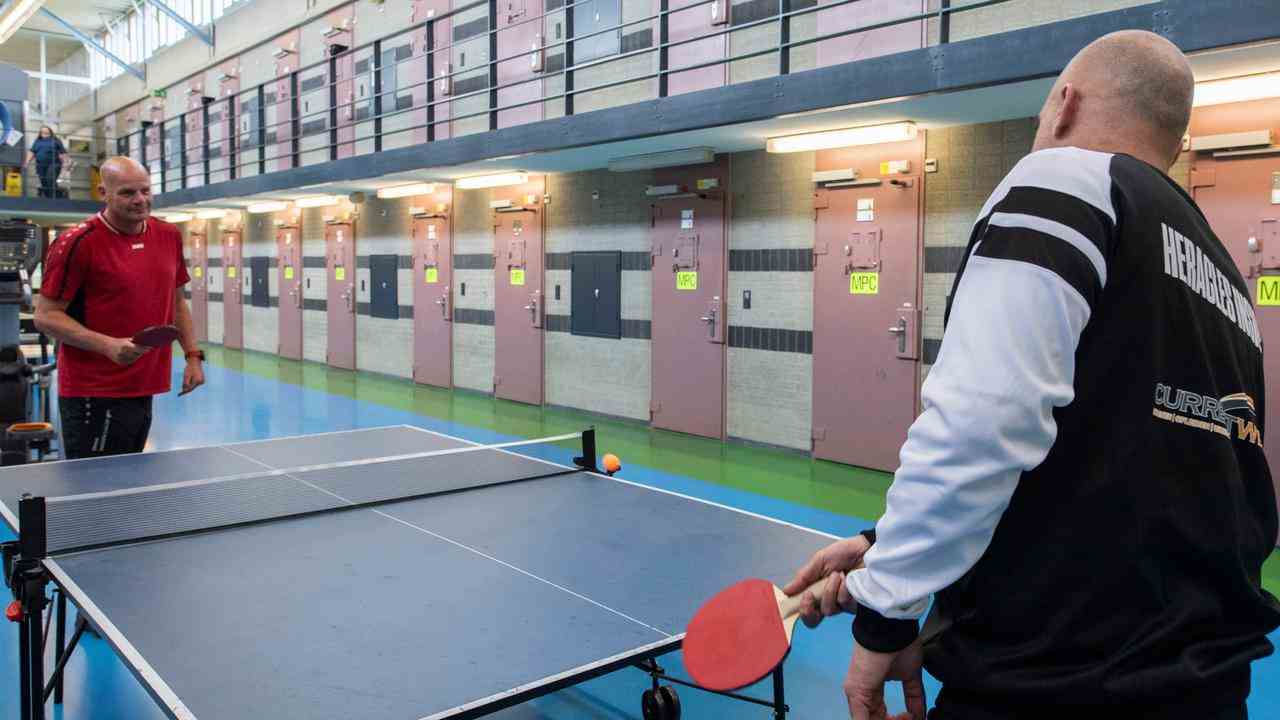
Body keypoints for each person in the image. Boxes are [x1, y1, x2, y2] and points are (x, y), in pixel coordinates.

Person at [786, 30, 1280, 720]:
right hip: (1204, 689)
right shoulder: (1225, 280)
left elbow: (985, 420)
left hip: (1051, 684)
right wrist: (882, 542)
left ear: (1064, 105)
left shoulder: (1064, 177)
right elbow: (1126, 465)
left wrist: (887, 608)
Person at [34, 156, 205, 459]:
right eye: (128, 193)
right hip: (92, 391)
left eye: (146, 190)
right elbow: (46, 316)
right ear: (103, 193)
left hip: (144, 384)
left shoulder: (168, 235)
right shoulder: (76, 242)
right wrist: (108, 345)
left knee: (126, 482)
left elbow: (177, 300)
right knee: (91, 488)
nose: (140, 200)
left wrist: (193, 356)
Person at [23, 126, 68, 198]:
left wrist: (65, 166)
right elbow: (32, 152)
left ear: (50, 132)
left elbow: (63, 153)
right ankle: (49, 199)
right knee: (44, 182)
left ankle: (57, 198)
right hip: (40, 165)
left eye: (46, 130)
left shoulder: (56, 140)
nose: (44, 131)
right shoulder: (37, 141)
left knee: (50, 179)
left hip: (54, 163)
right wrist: (26, 162)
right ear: (40, 133)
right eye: (42, 130)